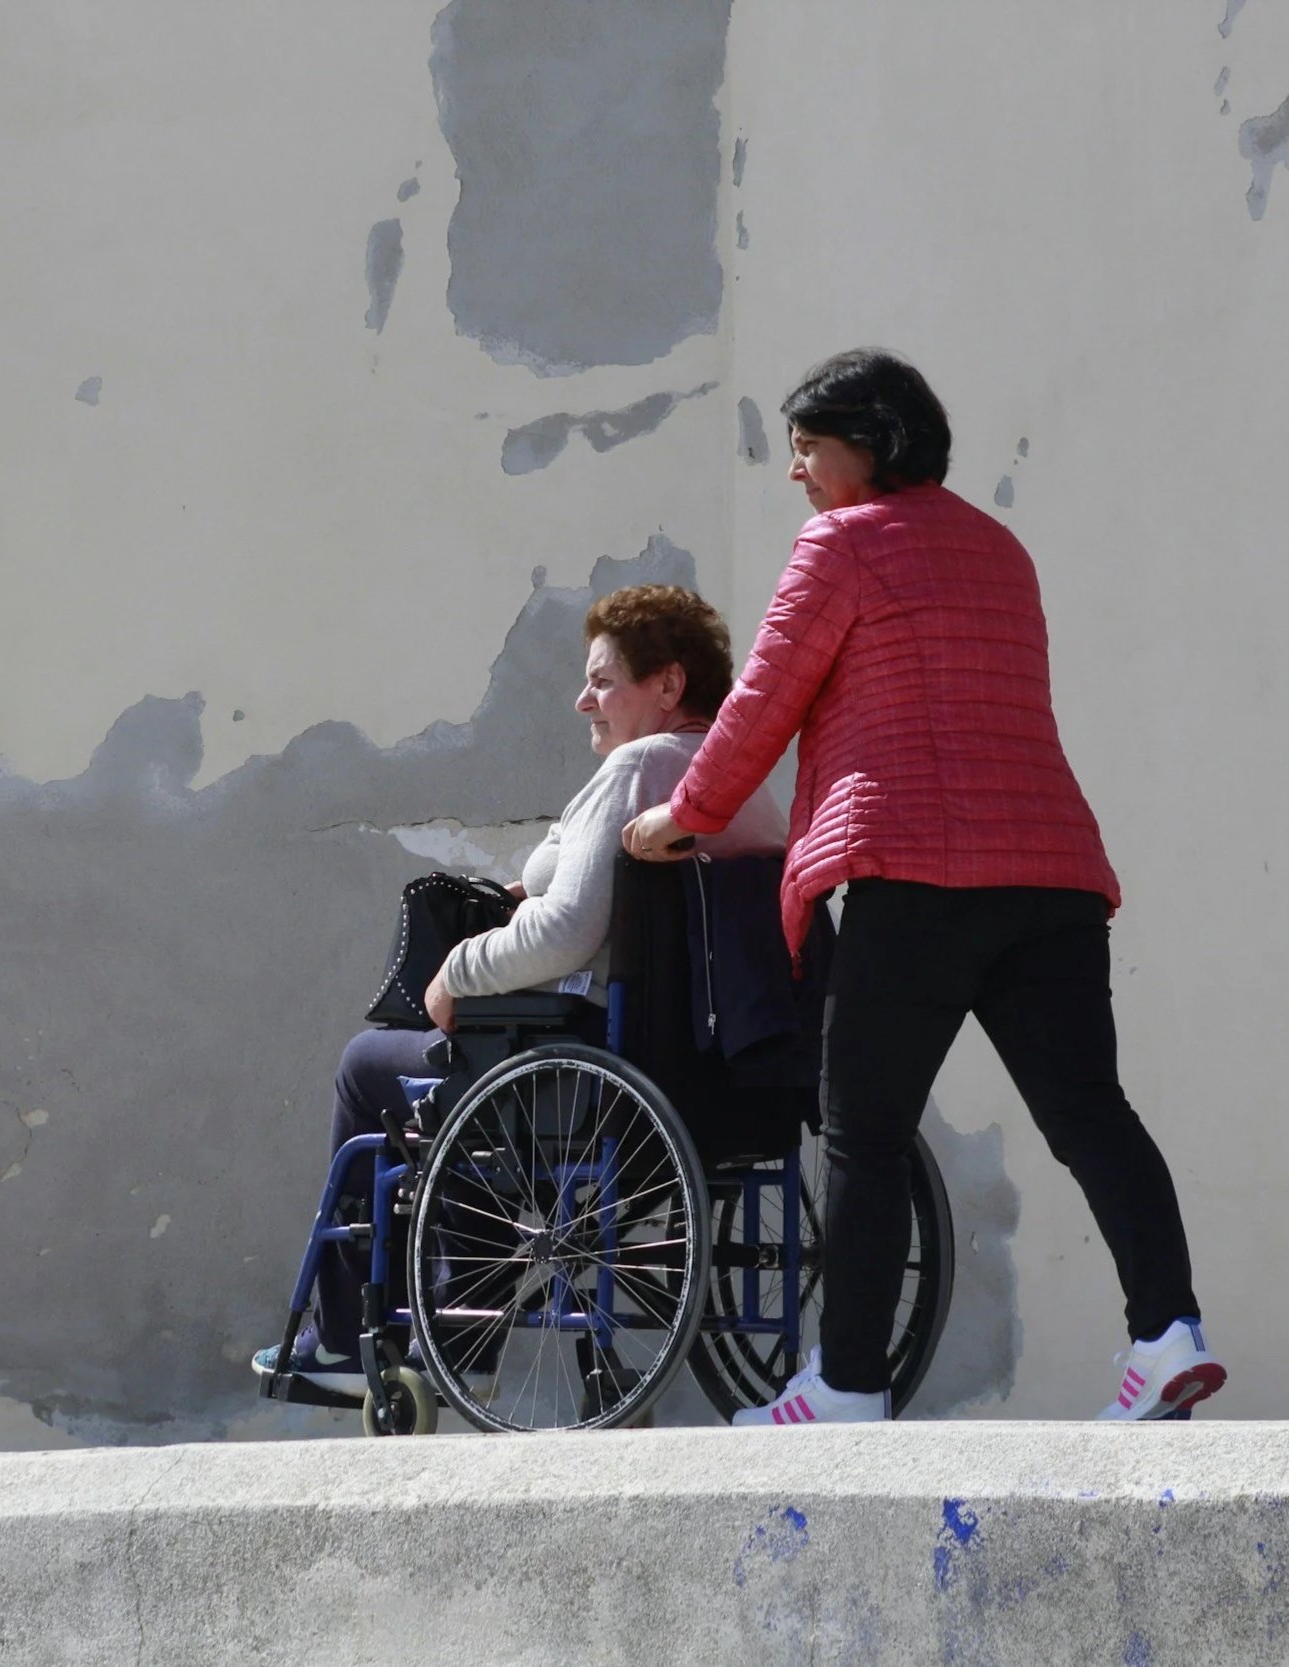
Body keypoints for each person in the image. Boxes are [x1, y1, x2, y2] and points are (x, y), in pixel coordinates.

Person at [624, 349, 1225, 1424]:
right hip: (1050, 875)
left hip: (910, 870)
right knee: (1088, 1108)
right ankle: (1164, 1331)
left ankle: (847, 1381)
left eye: (809, 445)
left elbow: (761, 700)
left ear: (874, 442)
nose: (794, 470)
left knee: (861, 1126)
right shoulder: (1000, 549)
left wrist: (677, 816)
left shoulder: (842, 543)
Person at [253, 584, 786, 1393]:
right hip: (711, 1071)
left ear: (669, 685)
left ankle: (351, 1342)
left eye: (603, 680)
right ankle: (459, 1333)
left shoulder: (638, 768)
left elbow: (570, 930)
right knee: (480, 1074)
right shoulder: (741, 785)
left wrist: (458, 971)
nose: (584, 701)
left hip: (595, 1068)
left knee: (373, 1065)